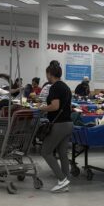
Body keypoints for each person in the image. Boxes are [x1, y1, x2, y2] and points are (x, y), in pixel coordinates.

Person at [38, 61, 74, 192]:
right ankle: (66, 180)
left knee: (45, 151)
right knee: (62, 153)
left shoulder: (54, 87)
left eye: (47, 74)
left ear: (49, 74)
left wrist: (42, 108)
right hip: (68, 123)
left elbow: (55, 106)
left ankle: (61, 179)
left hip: (59, 124)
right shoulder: (66, 87)